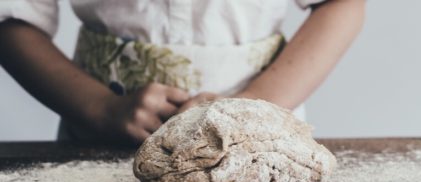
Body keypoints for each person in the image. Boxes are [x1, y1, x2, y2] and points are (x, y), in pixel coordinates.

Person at [0, 0, 365, 144]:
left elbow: (341, 4)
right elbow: (11, 19)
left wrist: (250, 105)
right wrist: (101, 109)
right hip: (101, 134)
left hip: (258, 135)